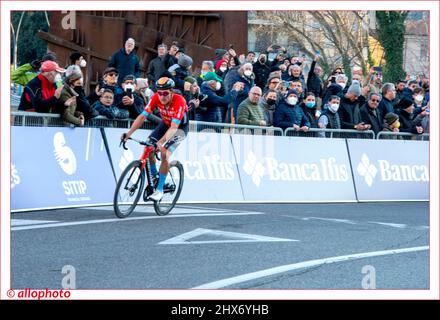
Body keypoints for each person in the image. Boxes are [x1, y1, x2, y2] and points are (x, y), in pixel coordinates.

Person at [121, 77, 189, 201]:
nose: (162, 96)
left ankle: (160, 189)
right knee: (149, 147)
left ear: (172, 92)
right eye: (160, 93)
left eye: (165, 93)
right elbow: (142, 116)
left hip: (180, 129)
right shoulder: (156, 98)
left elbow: (174, 127)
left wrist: (161, 142)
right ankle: (154, 177)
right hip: (165, 124)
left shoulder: (179, 101)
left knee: (164, 154)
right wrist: (129, 133)